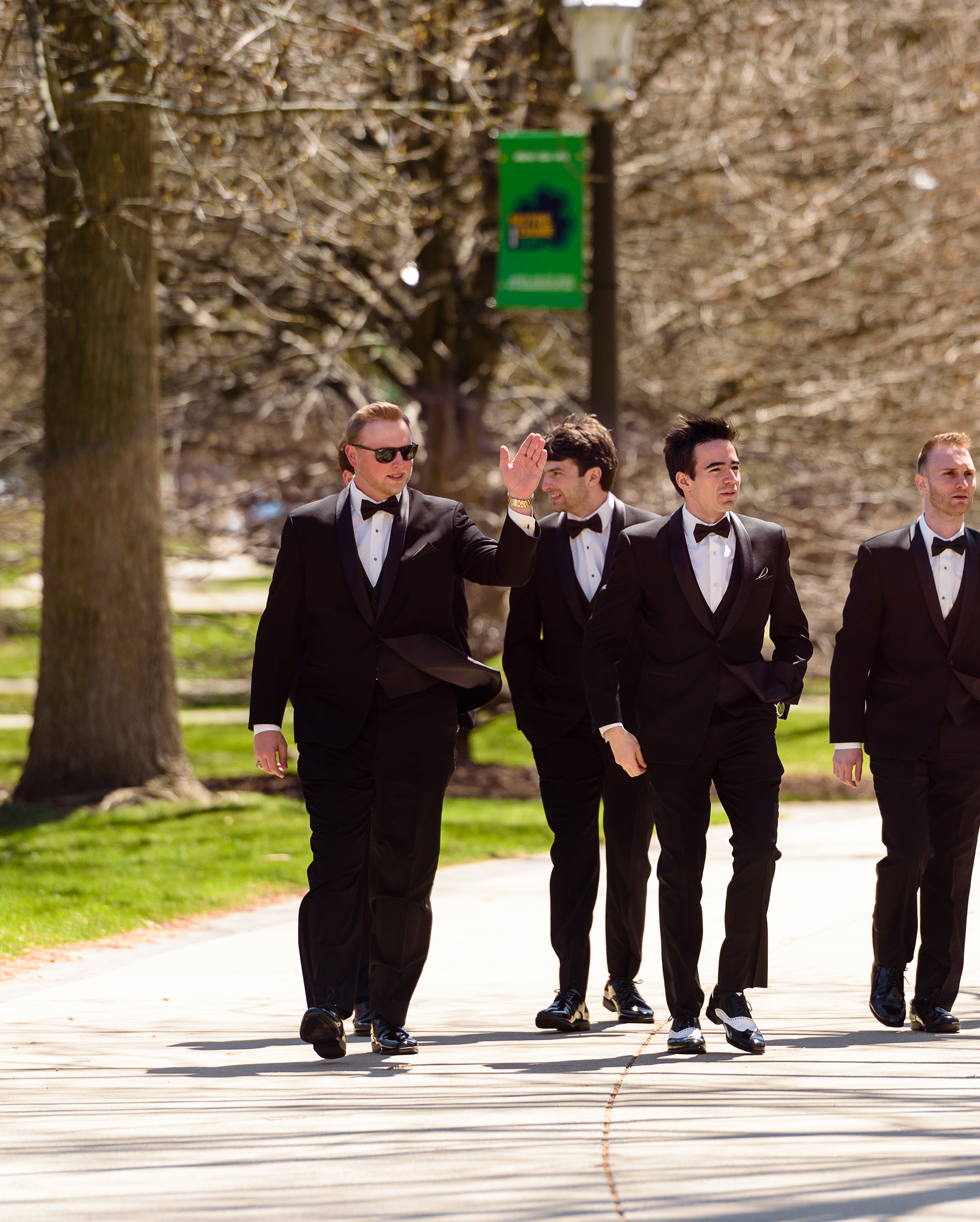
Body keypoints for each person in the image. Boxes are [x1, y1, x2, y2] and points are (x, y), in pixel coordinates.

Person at [250, 402, 546, 1061]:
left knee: (404, 871)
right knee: (336, 866)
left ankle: (388, 1014)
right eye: (385, 453)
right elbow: (280, 631)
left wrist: (521, 504)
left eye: (407, 453)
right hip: (332, 725)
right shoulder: (308, 527)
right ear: (350, 455)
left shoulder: (445, 519)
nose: (399, 465)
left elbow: (507, 569)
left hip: (419, 723)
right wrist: (267, 719)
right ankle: (326, 1003)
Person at [583, 416, 812, 1056]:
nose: (732, 476)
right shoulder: (640, 545)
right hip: (668, 734)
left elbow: (795, 635)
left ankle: (731, 994)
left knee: (759, 855)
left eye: (735, 465)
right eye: (717, 468)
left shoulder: (769, 541)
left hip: (746, 729)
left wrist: (778, 685)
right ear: (683, 480)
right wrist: (614, 728)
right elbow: (601, 647)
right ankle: (684, 1010)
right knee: (681, 871)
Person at [830, 433, 980, 1035]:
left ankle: (935, 995)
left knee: (953, 865)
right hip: (897, 733)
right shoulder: (880, 556)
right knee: (909, 852)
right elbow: (852, 652)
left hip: (971, 733)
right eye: (948, 474)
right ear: (922, 483)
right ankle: (889, 968)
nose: (961, 484)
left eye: (967, 473)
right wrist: (846, 737)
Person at [503, 416, 659, 1033]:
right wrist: (533, 719)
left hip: (636, 728)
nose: (546, 487)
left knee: (630, 853)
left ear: (593, 474)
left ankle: (624, 981)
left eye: (557, 474)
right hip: (560, 728)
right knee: (570, 853)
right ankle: (570, 988)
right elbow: (519, 642)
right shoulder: (534, 541)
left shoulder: (653, 534)